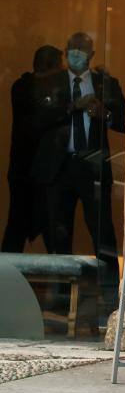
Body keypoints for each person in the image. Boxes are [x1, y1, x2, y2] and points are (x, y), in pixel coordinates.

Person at [29, 32, 125, 320]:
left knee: (103, 234)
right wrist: (73, 106)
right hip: (59, 169)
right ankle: (58, 301)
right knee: (59, 234)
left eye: (83, 49)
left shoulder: (106, 84)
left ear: (92, 53)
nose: (77, 53)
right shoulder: (50, 83)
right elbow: (37, 119)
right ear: (65, 50)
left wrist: (104, 113)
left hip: (93, 166)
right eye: (73, 48)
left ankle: (110, 301)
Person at [2, 45, 63, 252]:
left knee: (26, 228)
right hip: (31, 171)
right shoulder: (25, 88)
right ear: (50, 66)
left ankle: (8, 279)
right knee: (30, 228)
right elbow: (40, 119)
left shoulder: (22, 87)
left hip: (32, 170)